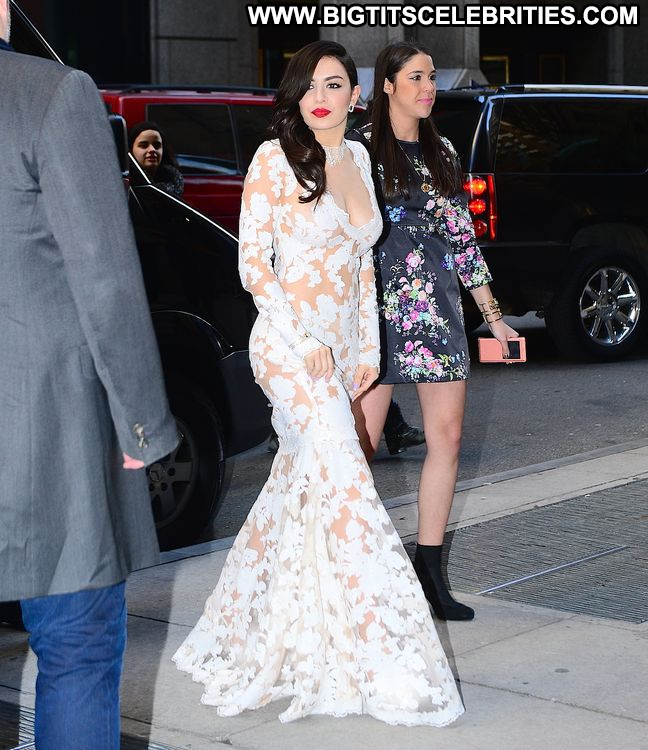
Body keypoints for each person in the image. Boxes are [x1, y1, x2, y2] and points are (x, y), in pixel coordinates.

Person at [173, 41, 464, 727]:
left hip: (341, 352)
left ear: (354, 95)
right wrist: (303, 342)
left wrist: (368, 349)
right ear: (295, 96)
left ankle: (255, 627)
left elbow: (363, 262)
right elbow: (253, 265)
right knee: (347, 479)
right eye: (309, 86)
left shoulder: (356, 157)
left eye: (334, 85)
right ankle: (385, 657)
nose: (320, 98)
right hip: (286, 348)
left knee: (301, 487)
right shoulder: (273, 158)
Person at [0, 3, 179, 748]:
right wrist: (143, 426)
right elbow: (104, 280)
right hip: (45, 439)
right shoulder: (51, 93)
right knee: (76, 648)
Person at [348, 42, 519, 621]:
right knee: (359, 448)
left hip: (437, 311)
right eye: (416, 78)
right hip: (374, 315)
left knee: (447, 438)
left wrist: (493, 317)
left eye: (431, 77)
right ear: (387, 85)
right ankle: (354, 573)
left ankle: (430, 573)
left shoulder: (441, 149)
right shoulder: (358, 149)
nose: (429, 88)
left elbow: (461, 239)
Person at [129, 120, 184, 198]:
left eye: (157, 145)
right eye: (144, 145)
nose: (152, 149)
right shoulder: (124, 186)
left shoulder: (174, 180)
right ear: (131, 150)